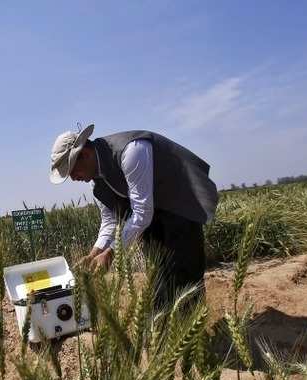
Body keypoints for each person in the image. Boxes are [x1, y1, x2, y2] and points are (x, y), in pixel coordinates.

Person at [49, 124, 218, 310]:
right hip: (152, 217)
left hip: (181, 204)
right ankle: (164, 330)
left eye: (72, 170)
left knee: (185, 275)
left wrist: (111, 252)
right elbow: (110, 221)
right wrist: (95, 253)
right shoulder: (96, 185)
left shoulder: (132, 151)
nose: (73, 178)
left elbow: (142, 212)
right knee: (160, 276)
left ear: (86, 154)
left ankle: (192, 330)